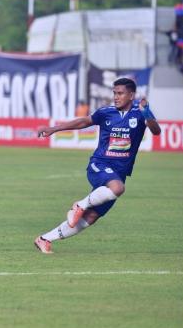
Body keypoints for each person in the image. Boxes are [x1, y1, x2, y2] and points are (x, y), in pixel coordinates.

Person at [34, 78, 161, 254]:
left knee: (91, 217)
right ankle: (80, 205)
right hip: (99, 165)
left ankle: (44, 239)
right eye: (114, 93)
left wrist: (146, 113)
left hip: (119, 172)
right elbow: (82, 122)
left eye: (120, 93)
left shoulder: (140, 113)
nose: (116, 97)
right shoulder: (106, 112)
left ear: (131, 95)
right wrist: (54, 128)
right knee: (118, 188)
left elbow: (156, 131)